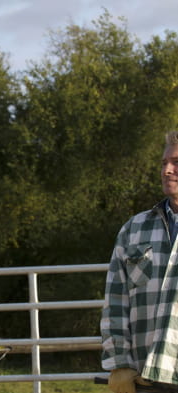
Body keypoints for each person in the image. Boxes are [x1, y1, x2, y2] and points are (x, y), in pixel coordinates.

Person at [101, 130, 178, 393]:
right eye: (164, 163)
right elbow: (115, 302)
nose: (167, 170)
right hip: (146, 378)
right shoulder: (134, 230)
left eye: (176, 163)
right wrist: (120, 364)